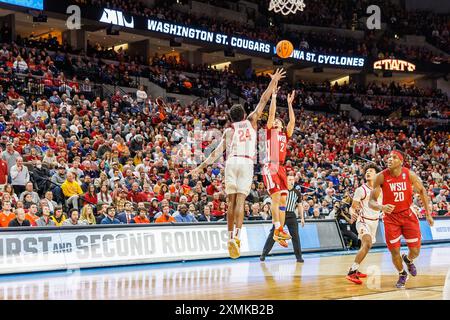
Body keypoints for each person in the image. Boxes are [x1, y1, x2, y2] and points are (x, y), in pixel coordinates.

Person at [189, 68, 286, 259]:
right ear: (243, 114)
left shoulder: (228, 131)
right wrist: (273, 81)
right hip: (246, 163)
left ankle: (230, 237)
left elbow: (216, 154)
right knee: (241, 201)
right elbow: (264, 100)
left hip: (231, 162)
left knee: (230, 202)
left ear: (231, 118)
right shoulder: (251, 121)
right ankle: (238, 238)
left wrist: (200, 168)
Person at [369, 150, 434, 289]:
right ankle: (402, 273)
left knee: (415, 251)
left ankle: (409, 260)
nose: (390, 159)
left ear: (400, 161)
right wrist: (381, 206)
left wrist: (428, 214)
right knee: (394, 251)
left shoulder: (409, 174)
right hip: (391, 218)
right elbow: (371, 202)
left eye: (394, 157)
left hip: (407, 215)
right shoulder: (381, 177)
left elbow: (422, 191)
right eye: (389, 157)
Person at [262, 88, 296, 247]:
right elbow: (270, 114)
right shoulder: (269, 132)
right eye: (274, 121)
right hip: (270, 165)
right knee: (275, 198)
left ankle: (280, 233)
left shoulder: (285, 134)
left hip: (281, 168)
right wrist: (274, 96)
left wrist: (290, 105)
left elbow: (292, 122)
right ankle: (277, 228)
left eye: (277, 121)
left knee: (283, 201)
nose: (275, 122)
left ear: (281, 126)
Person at [346, 163, 382, 284]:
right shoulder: (361, 190)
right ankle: (352, 271)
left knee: (366, 247)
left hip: (375, 222)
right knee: (367, 244)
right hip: (363, 221)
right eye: (367, 171)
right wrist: (352, 213)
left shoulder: (381, 190)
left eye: (371, 171)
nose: (368, 172)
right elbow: (352, 207)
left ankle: (356, 270)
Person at [260, 175, 305, 263]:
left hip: (291, 215)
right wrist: (274, 217)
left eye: (292, 179)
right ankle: (263, 254)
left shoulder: (297, 193)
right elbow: (275, 204)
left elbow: (300, 205)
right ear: (285, 180)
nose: (291, 181)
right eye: (289, 179)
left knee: (295, 236)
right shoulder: (280, 191)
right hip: (281, 214)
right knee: (273, 234)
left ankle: (299, 257)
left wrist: (302, 217)